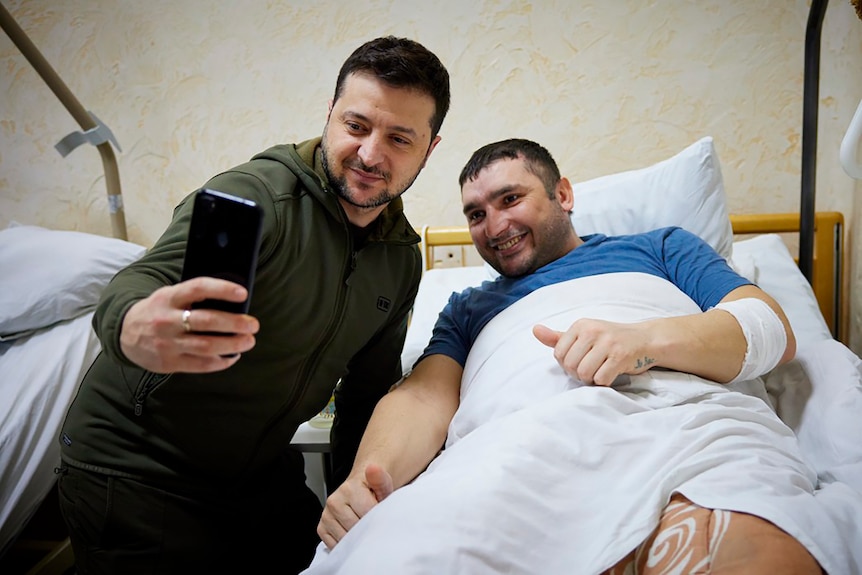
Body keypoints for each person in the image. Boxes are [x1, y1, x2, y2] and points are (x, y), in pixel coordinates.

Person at [312, 139, 828, 573]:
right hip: (517, 449)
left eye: (510, 198)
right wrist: (368, 477)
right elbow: (423, 399)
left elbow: (768, 329)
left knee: (755, 552)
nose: (494, 227)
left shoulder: (660, 248)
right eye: (476, 214)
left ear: (563, 193)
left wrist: (643, 342)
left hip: (681, 426)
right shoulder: (469, 307)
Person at [57, 36, 450, 574]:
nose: (370, 153)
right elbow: (143, 281)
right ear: (330, 115)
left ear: (429, 149)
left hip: (256, 473)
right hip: (138, 467)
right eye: (356, 126)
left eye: (400, 138)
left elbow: (364, 400)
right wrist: (131, 324)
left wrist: (357, 502)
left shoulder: (399, 257)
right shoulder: (256, 197)